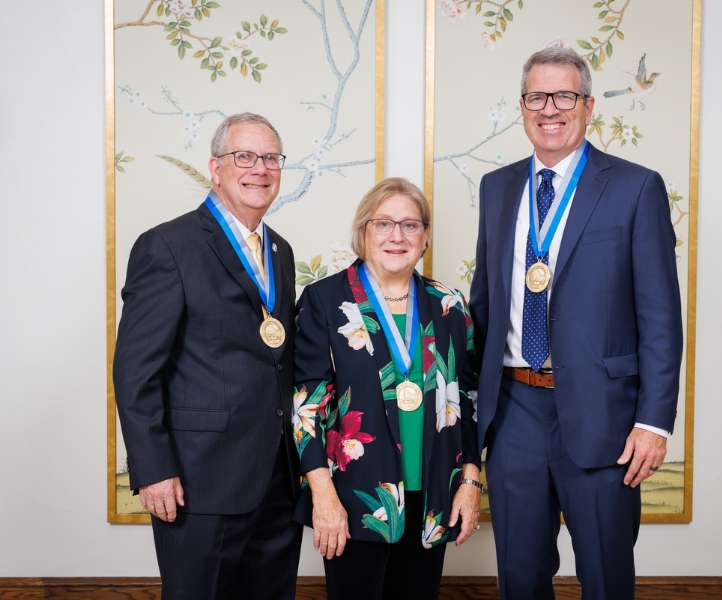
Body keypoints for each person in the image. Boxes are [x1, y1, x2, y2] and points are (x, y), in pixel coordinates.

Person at [470, 47, 683, 599]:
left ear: (588, 107)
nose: (550, 108)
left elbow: (660, 316)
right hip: (514, 412)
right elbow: (485, 306)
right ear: (522, 107)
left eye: (564, 96)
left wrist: (654, 423)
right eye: (536, 96)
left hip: (604, 416)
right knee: (519, 577)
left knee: (606, 578)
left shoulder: (636, 187)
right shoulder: (496, 188)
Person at [113, 112, 302, 600]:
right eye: (245, 156)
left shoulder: (279, 250)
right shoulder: (168, 246)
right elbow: (135, 372)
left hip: (278, 481)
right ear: (215, 167)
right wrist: (152, 468)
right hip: (201, 479)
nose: (259, 168)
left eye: (271, 158)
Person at [291, 177, 482, 600]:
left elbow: (470, 401)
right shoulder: (324, 300)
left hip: (433, 496)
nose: (397, 236)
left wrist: (470, 483)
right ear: (363, 232)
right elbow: (307, 407)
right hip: (355, 497)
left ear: (426, 236)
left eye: (410, 225)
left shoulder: (450, 306)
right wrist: (323, 495)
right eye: (383, 224)